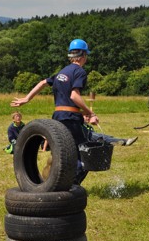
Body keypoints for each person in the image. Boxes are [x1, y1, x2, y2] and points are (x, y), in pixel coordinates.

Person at [11, 38, 98, 184]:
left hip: (58, 116)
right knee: (83, 153)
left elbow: (43, 83)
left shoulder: (62, 72)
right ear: (83, 56)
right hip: (70, 118)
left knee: (61, 151)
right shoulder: (80, 72)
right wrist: (90, 113)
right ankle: (71, 187)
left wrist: (27, 98)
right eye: (86, 56)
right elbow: (74, 96)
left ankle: (50, 182)